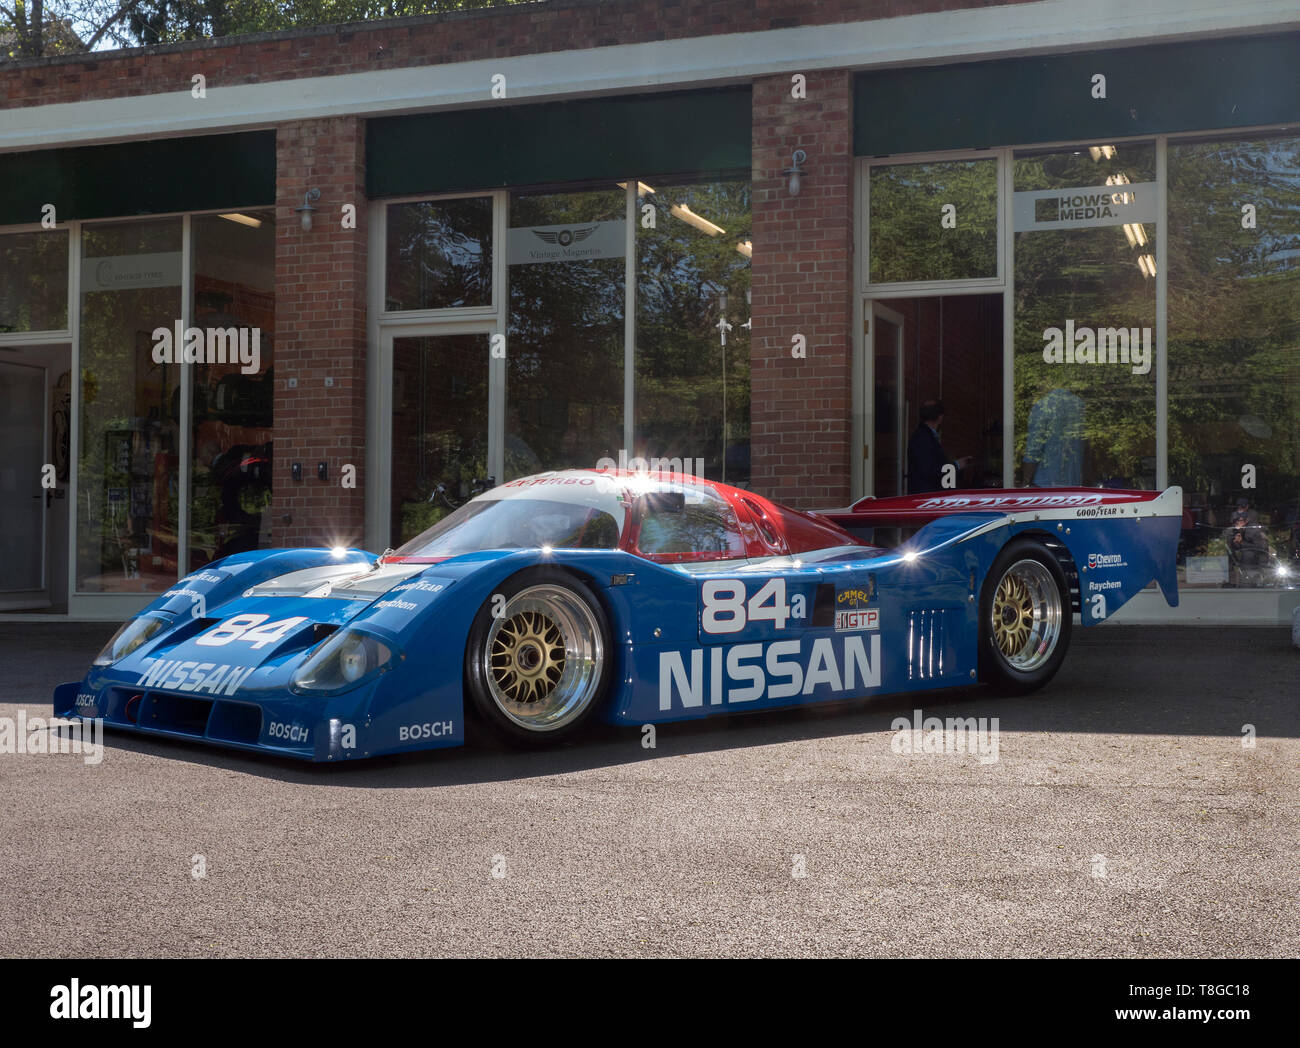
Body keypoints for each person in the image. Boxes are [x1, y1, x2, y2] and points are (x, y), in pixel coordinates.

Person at [1023, 386, 1085, 487]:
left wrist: (1025, 483)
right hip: (1074, 485)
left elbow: (1033, 450)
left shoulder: (1043, 406)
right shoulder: (1079, 405)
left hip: (1045, 484)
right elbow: (1085, 447)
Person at [906, 400, 972, 494]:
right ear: (940, 417)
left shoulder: (923, 436)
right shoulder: (923, 438)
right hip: (927, 498)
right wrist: (956, 465)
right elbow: (930, 471)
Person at [1223, 502, 1268, 586]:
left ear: (1246, 521)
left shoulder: (1254, 531)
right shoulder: (1231, 530)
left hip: (1255, 565)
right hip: (1238, 567)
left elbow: (1261, 548)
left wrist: (1242, 543)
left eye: (1239, 521)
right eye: (1234, 521)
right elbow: (1228, 548)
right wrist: (1233, 541)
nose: (1237, 524)